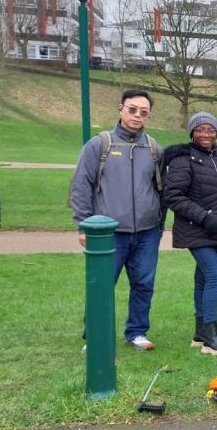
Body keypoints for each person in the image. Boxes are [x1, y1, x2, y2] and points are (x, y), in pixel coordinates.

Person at [69, 88, 163, 351]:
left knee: (144, 283)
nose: (137, 115)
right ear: (120, 108)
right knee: (102, 284)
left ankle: (136, 332)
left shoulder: (154, 148)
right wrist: (83, 223)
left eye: (144, 112)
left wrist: (159, 223)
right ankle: (96, 335)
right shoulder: (100, 144)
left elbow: (161, 189)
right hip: (108, 232)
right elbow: (80, 186)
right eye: (132, 109)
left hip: (147, 231)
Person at [163, 112, 217, 355]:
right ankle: (210, 333)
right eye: (201, 129)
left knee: (203, 278)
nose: (206, 134)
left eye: (211, 130)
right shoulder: (183, 160)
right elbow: (173, 196)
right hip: (195, 228)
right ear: (192, 133)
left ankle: (199, 332)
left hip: (216, 229)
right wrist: (204, 216)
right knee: (216, 276)